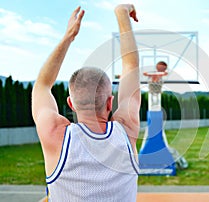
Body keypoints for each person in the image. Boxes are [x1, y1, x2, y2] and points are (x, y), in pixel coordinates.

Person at [32, 4, 140, 202]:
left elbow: (42, 84)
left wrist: (68, 37)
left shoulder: (55, 133)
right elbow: (131, 66)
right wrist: (122, 13)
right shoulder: (126, 129)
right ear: (110, 103)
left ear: (70, 104)